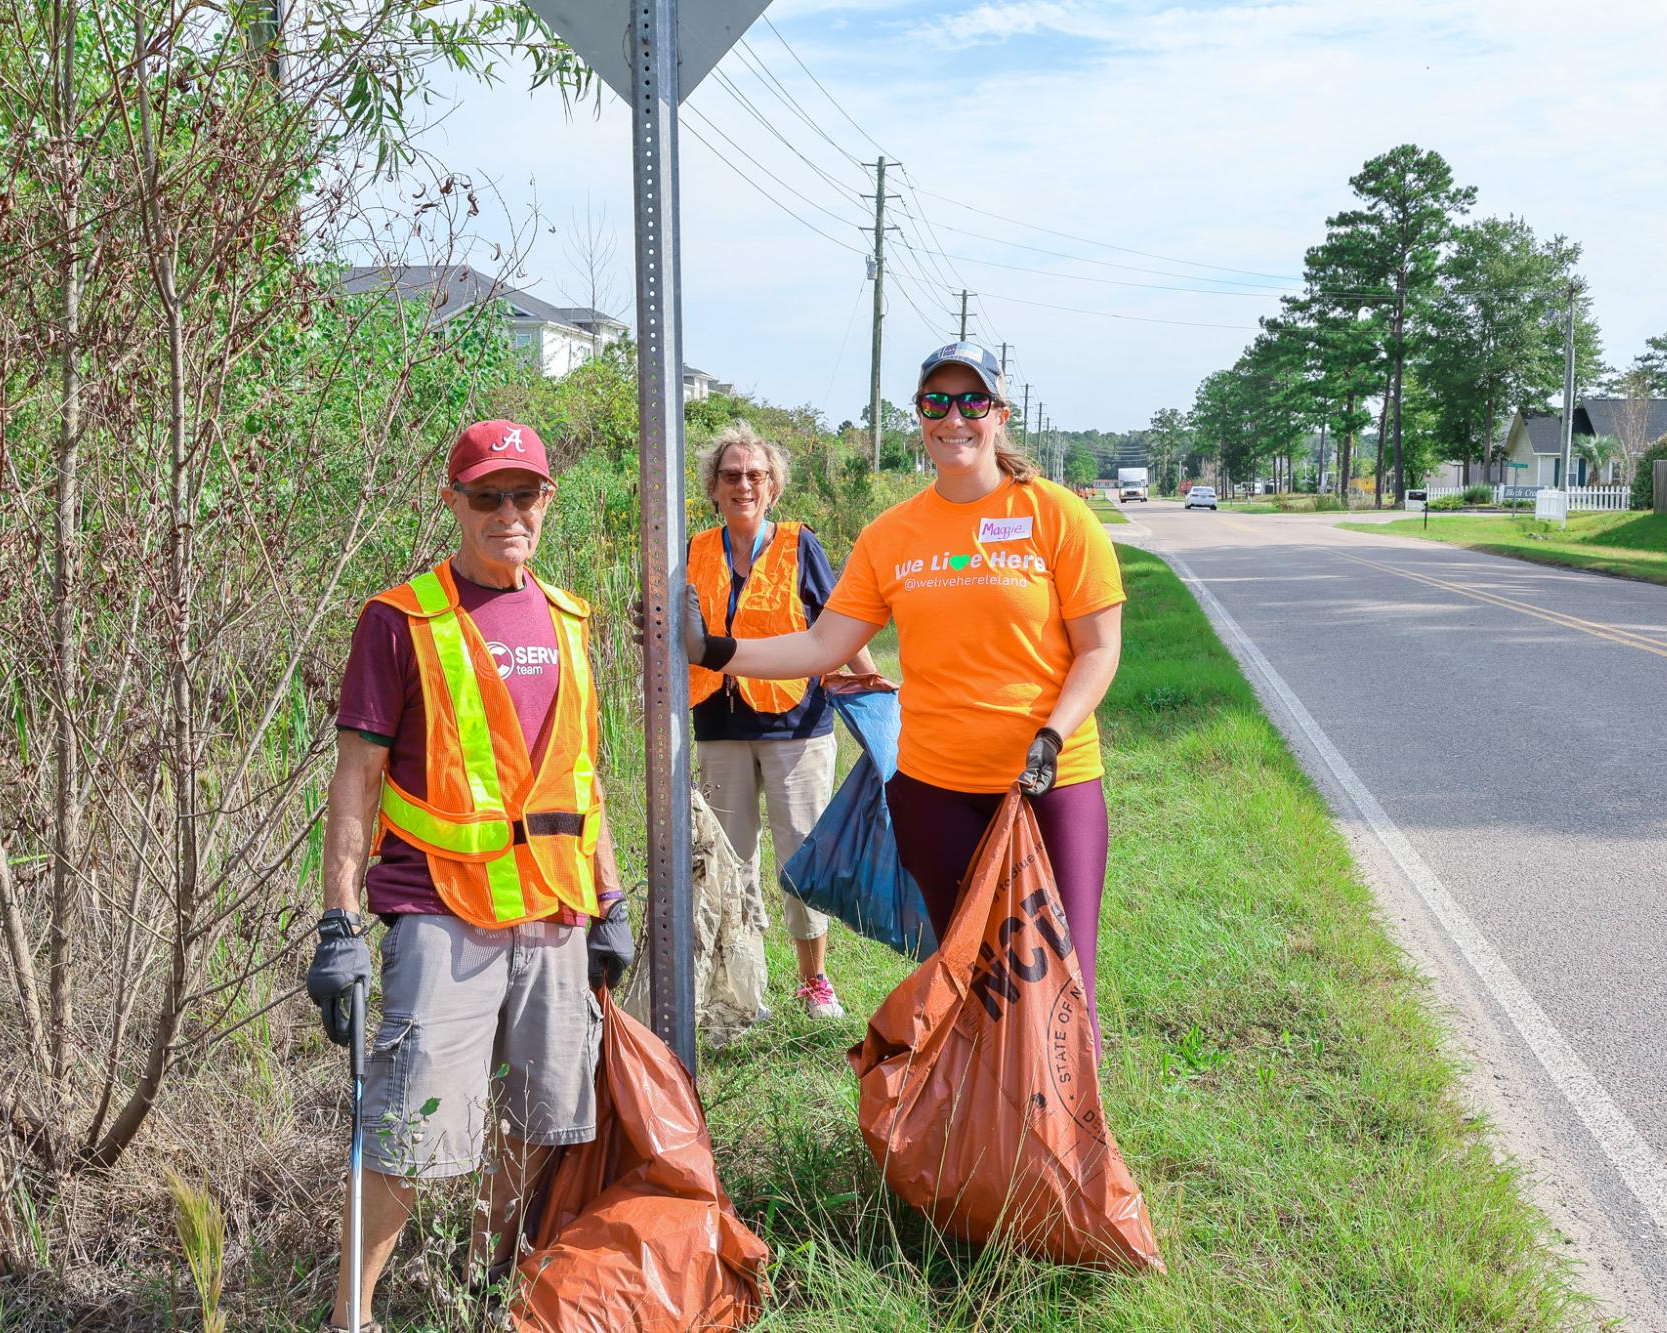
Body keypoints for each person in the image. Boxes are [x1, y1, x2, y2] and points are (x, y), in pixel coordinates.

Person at [679, 343, 1125, 1060]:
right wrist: (713, 652)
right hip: (936, 788)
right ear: (919, 417)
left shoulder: (1057, 516)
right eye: (936, 403)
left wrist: (1054, 732)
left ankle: (1070, 1148)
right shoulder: (894, 535)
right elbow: (821, 645)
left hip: (1053, 781)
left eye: (972, 402)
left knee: (1066, 976)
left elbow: (1100, 648)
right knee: (973, 973)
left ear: (998, 415)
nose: (955, 418)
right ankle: (986, 1141)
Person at [305, 419, 634, 1330]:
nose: (507, 512)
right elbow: (356, 779)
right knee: (408, 1132)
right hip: (439, 911)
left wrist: (610, 898)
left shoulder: (568, 618)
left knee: (539, 1120)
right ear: (452, 502)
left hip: (557, 916)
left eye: (523, 494)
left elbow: (581, 774)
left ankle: (486, 1280)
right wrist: (338, 925)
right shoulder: (400, 617)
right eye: (486, 495)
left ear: (545, 503)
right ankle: (353, 1317)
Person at [687, 422, 881, 1020]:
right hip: (719, 724)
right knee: (726, 859)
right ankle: (744, 988)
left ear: (773, 487)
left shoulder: (801, 545)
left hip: (798, 725)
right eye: (731, 476)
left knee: (802, 855)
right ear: (713, 487)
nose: (743, 485)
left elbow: (840, 621)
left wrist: (870, 681)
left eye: (755, 476)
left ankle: (814, 980)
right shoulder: (693, 550)